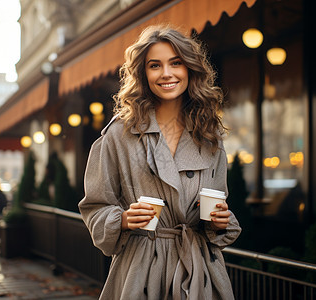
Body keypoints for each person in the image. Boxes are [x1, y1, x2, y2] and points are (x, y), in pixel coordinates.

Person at [78, 25, 241, 299]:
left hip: (200, 273)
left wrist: (220, 220)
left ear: (189, 69)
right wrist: (124, 219)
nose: (166, 73)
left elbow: (217, 207)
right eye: (155, 65)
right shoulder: (119, 134)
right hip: (141, 272)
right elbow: (95, 207)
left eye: (175, 63)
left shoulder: (209, 135)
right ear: (143, 74)